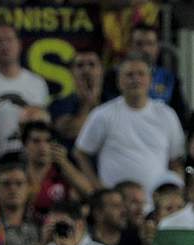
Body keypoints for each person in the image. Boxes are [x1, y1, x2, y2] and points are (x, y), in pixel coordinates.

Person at [74, 51, 185, 198]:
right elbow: (81, 153)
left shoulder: (167, 115)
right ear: (119, 81)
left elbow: (176, 161)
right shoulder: (103, 114)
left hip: (156, 204)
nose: (135, 79)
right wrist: (98, 189)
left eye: (141, 74)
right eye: (129, 75)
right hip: (114, 206)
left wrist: (175, 193)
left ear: (150, 80)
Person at [0, 23, 49, 160]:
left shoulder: (37, 84)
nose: (4, 46)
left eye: (9, 40)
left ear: (19, 44)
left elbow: (43, 126)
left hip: (27, 159)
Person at [48, 50, 105, 152]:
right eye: (80, 66)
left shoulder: (114, 102)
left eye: (92, 64)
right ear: (71, 71)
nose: (86, 70)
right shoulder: (59, 104)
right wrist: (87, 103)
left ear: (101, 69)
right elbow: (70, 132)